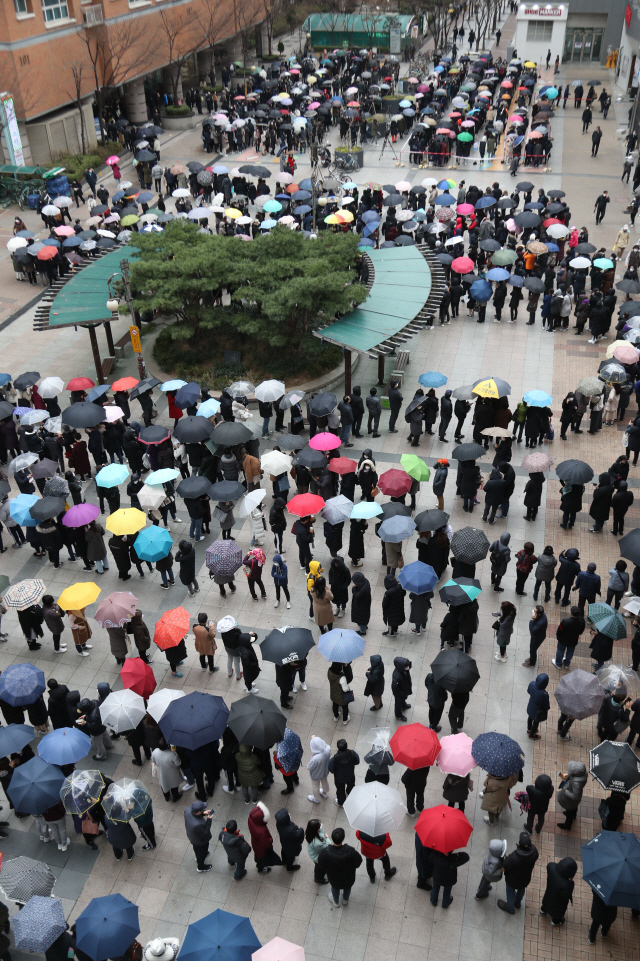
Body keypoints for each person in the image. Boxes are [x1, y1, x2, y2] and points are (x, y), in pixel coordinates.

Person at [317, 826, 363, 907]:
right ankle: (345, 900)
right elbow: (358, 862)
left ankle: (336, 902)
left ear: (332, 838)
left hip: (334, 879)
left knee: (335, 888)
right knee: (347, 888)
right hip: (349, 878)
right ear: (343, 839)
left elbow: (321, 864)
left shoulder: (326, 852)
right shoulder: (350, 851)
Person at [498, 832, 539, 914]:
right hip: (525, 879)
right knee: (521, 890)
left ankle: (510, 908)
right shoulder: (534, 853)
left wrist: (500, 871)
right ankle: (517, 903)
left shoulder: (514, 857)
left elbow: (504, 866)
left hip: (512, 880)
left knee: (510, 893)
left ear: (519, 845)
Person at [539, 858, 577, 927]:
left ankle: (543, 910)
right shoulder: (566, 884)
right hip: (557, 904)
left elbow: (550, 865)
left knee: (546, 901)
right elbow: (567, 895)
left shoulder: (551, 867)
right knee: (558, 912)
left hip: (548, 894)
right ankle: (555, 921)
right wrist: (571, 881)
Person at [248, 802, 282, 874]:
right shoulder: (262, 831)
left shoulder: (250, 819)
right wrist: (270, 840)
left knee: (258, 855)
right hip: (261, 848)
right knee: (262, 858)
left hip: (255, 843)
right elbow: (266, 844)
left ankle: (259, 864)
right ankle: (261, 868)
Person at [184, 800, 213, 872]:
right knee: (201, 853)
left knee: (196, 849)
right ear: (199, 811)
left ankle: (199, 856)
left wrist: (203, 813)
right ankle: (201, 867)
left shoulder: (188, 810)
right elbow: (205, 832)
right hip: (200, 842)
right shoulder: (197, 825)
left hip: (192, 837)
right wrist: (209, 820)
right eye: (202, 809)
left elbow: (194, 815)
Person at [557, 761, 587, 829]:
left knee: (570, 812)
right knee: (573, 808)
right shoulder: (583, 774)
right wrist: (569, 775)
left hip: (570, 801)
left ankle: (567, 825)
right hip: (573, 802)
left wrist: (566, 791)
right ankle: (574, 815)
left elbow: (575, 797)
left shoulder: (576, 783)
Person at [328, 738, 359, 806]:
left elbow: (331, 769)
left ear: (338, 748)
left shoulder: (334, 759)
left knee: (340, 791)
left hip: (339, 779)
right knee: (351, 786)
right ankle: (350, 794)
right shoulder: (352, 753)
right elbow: (357, 761)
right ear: (347, 746)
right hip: (350, 775)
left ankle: (341, 802)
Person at [307, 736, 331, 803]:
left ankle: (316, 799)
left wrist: (312, 756)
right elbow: (324, 746)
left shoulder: (315, 759)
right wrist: (316, 739)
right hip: (325, 772)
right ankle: (324, 793)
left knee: (315, 786)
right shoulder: (328, 749)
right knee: (325, 782)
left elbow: (309, 767)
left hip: (316, 775)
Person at [526, 673, 550, 740]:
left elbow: (528, 691)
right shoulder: (544, 694)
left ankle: (529, 729)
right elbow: (546, 706)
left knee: (530, 717)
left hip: (531, 705)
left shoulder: (532, 684)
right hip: (538, 711)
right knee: (536, 722)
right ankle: (532, 734)